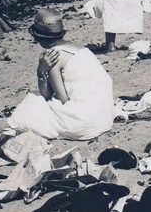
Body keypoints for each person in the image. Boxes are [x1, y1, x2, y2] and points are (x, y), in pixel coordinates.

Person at [7, 9, 114, 141]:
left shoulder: (53, 56)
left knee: (32, 100)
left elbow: (60, 98)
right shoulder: (82, 49)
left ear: (39, 37)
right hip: (104, 119)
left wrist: (41, 71)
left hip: (83, 124)